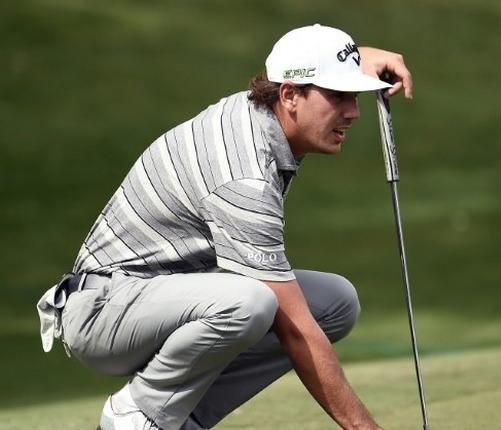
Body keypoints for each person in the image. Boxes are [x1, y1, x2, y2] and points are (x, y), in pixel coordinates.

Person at [36, 23, 413, 430]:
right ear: (289, 95)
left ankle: (182, 420)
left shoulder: (262, 107)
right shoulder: (244, 176)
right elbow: (295, 329)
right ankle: (139, 415)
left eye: (354, 96)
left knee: (335, 303)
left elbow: (297, 69)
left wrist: (357, 58)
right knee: (252, 302)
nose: (353, 113)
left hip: (158, 298)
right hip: (104, 313)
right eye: (339, 96)